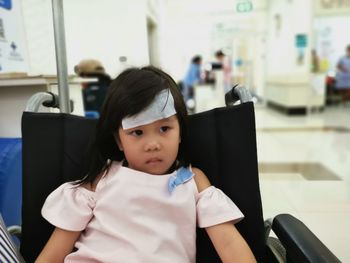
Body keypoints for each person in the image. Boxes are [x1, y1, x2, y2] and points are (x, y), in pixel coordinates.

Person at [36, 66, 256, 263]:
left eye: (164, 129)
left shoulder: (193, 180)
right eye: (137, 132)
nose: (152, 144)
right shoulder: (101, 180)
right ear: (119, 140)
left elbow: (228, 244)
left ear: (180, 132)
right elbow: (53, 255)